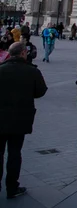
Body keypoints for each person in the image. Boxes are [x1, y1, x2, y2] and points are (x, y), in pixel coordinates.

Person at [0, 42, 48, 199]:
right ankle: (12, 187)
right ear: (22, 53)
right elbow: (40, 91)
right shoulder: (31, 71)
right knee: (15, 153)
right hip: (20, 119)